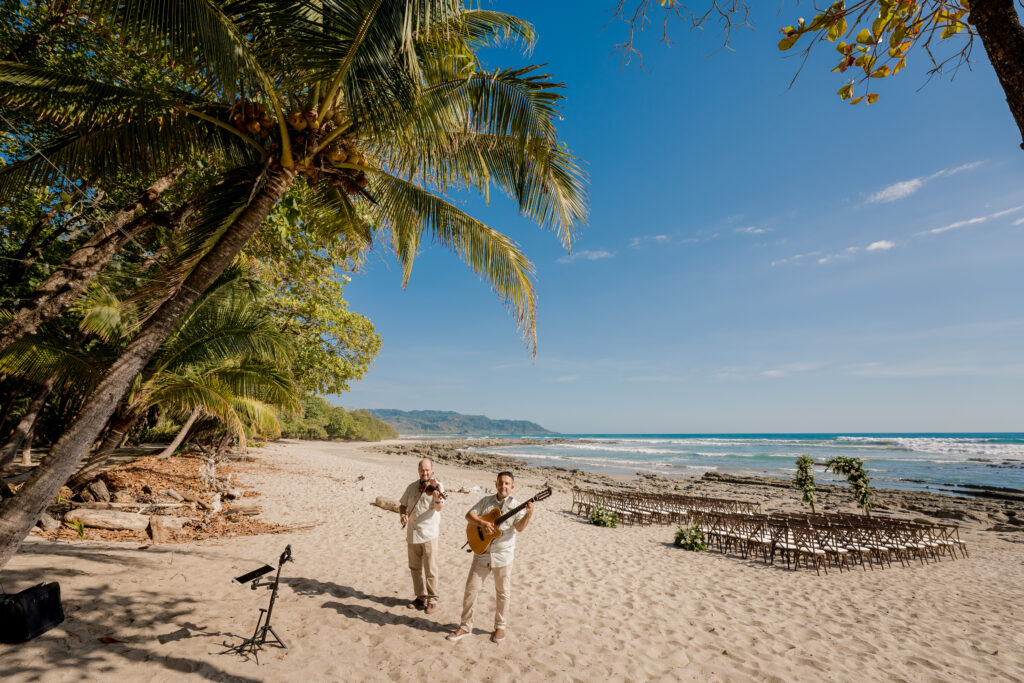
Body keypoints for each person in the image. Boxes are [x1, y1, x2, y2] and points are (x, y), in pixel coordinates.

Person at [447, 471, 533, 644]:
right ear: (496, 484)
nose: (503, 486)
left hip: (503, 556)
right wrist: (483, 523)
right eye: (501, 483)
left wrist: (529, 514)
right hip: (482, 553)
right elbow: (468, 515)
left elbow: (520, 528)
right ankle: (465, 626)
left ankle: (500, 627)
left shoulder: (517, 506)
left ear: (512, 487)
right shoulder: (486, 501)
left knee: (502, 593)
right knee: (471, 590)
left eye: (507, 483)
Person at [399, 458, 445, 614]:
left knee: (430, 569)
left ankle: (433, 600)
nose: (425, 473)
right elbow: (403, 505)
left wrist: (437, 498)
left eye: (427, 470)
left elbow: (438, 508)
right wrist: (403, 515)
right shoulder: (411, 487)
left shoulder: (437, 487)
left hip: (429, 534)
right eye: (422, 470)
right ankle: (420, 597)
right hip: (412, 533)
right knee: (414, 568)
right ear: (418, 471)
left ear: (432, 470)